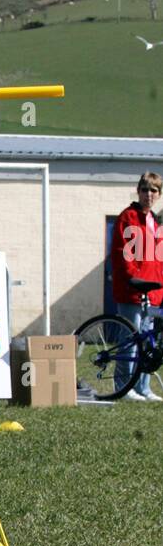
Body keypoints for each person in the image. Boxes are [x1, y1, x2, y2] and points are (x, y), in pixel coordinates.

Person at [111, 170, 163, 401]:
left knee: (148, 342)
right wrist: (134, 278)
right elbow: (123, 253)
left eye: (154, 190)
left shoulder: (155, 221)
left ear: (159, 194)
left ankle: (143, 387)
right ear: (138, 191)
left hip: (153, 291)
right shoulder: (128, 217)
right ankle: (124, 387)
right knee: (130, 341)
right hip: (133, 290)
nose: (148, 194)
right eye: (145, 190)